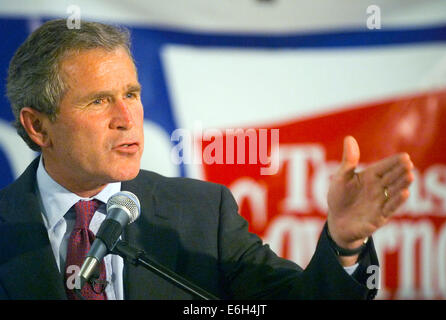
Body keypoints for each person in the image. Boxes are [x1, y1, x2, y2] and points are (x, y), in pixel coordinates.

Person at [0, 19, 414, 300]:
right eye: (98, 101)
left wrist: (344, 242)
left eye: (131, 94)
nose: (127, 119)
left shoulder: (201, 215)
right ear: (38, 127)